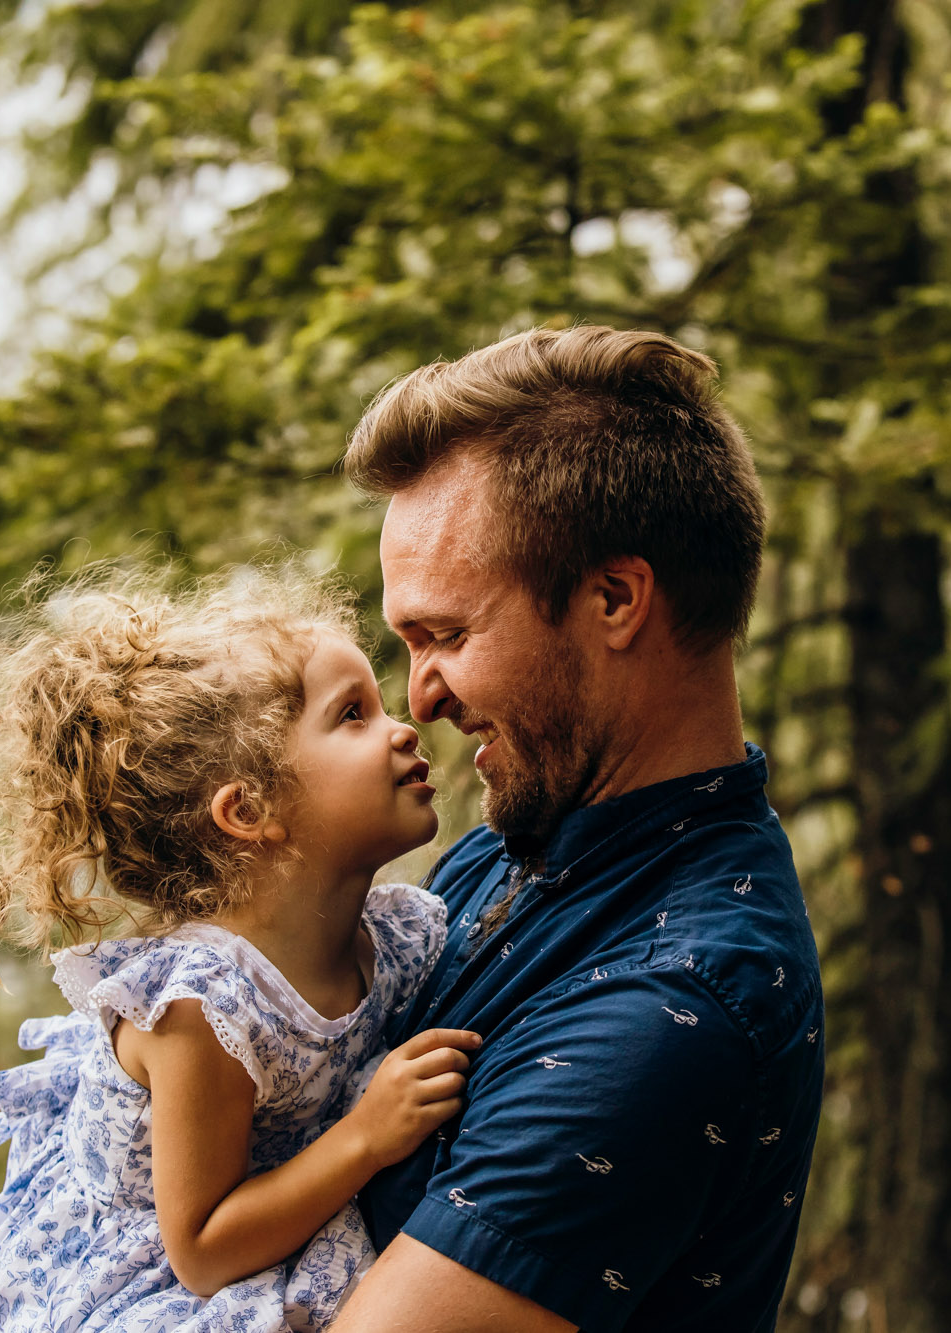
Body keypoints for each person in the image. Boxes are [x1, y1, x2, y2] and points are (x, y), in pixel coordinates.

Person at [333, 326, 825, 1332]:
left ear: (613, 598)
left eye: (447, 635)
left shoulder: (668, 1005)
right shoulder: (526, 840)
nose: (418, 696)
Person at [0, 566, 480, 1333]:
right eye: (353, 714)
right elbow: (198, 1246)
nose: (402, 727)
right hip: (152, 1275)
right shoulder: (203, 1007)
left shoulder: (395, 935)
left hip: (264, 1215)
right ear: (250, 808)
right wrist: (364, 1136)